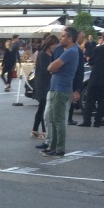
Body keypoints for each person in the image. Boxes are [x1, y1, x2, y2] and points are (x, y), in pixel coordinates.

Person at [43, 26, 81, 156]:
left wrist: (52, 68)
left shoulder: (71, 52)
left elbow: (52, 66)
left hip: (61, 89)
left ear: (70, 38)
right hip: (57, 88)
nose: (61, 38)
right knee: (53, 119)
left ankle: (59, 148)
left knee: (58, 120)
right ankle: (53, 146)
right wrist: (52, 68)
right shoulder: (70, 50)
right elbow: (53, 67)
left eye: (63, 36)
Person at [83, 31, 104, 127]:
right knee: (102, 102)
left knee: (90, 100)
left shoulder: (97, 49)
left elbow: (90, 62)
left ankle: (87, 121)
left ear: (103, 38)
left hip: (95, 78)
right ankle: (97, 121)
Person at [30, 34, 57, 140]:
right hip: (43, 84)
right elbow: (47, 70)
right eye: (54, 44)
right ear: (50, 44)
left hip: (41, 83)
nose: (55, 46)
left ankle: (35, 130)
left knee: (41, 108)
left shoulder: (43, 54)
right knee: (44, 108)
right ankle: (44, 131)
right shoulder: (44, 55)